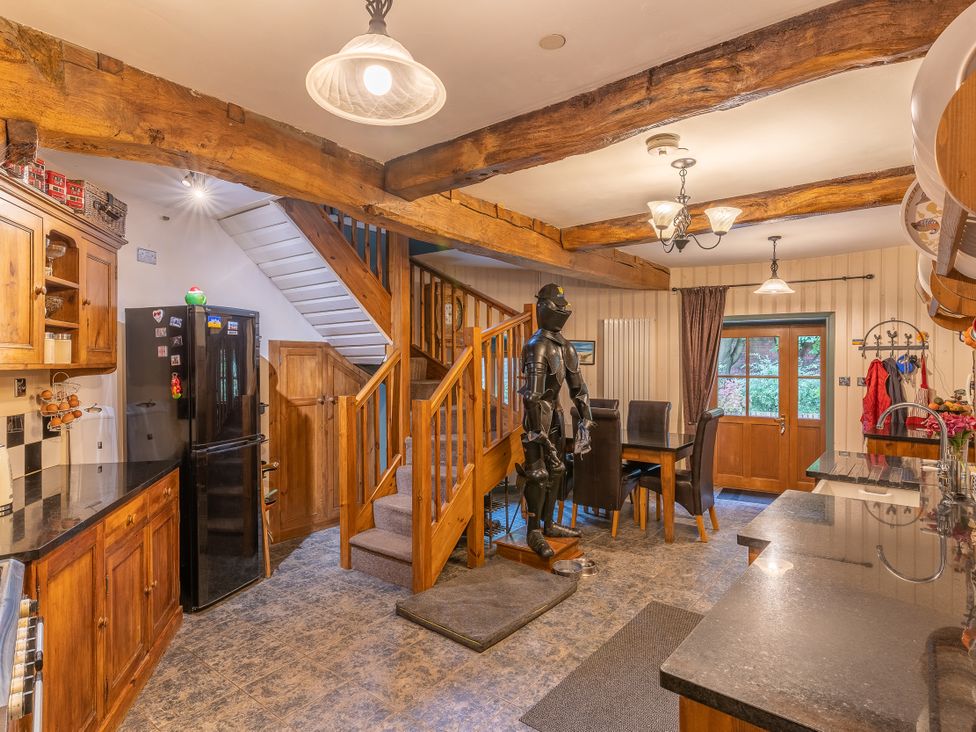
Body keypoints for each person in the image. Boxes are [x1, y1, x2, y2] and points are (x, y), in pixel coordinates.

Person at [517, 284, 595, 558]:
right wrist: (537, 433)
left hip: (556, 416)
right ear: (544, 307)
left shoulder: (567, 347)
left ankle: (549, 523)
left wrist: (586, 419)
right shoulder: (536, 346)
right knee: (538, 474)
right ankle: (533, 530)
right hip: (537, 419)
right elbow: (532, 395)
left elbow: (578, 388)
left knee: (559, 471)